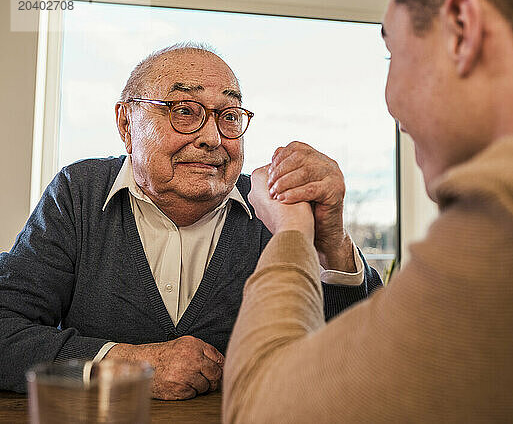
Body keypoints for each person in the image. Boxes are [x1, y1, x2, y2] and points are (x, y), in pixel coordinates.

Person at [223, 0, 513, 421]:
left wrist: (290, 229)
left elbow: (262, 409)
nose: (391, 104)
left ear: (461, 29)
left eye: (392, 53)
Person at [0, 43, 382, 398]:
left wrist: (331, 240)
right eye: (184, 110)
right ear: (126, 123)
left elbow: (363, 356)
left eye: (229, 116)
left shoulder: (278, 209)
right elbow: (5, 331)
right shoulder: (79, 193)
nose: (212, 137)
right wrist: (128, 365)